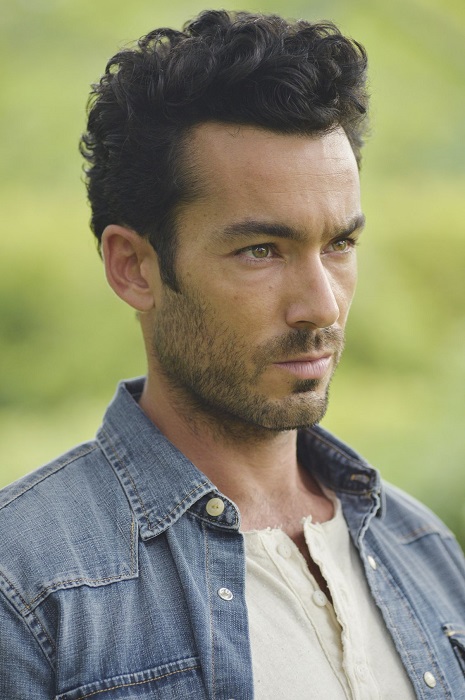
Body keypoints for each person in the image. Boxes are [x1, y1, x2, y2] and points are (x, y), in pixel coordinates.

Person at [0, 9, 464, 699]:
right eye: (261, 251)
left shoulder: (422, 547)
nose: (322, 307)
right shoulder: (24, 585)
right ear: (133, 267)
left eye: (339, 244)